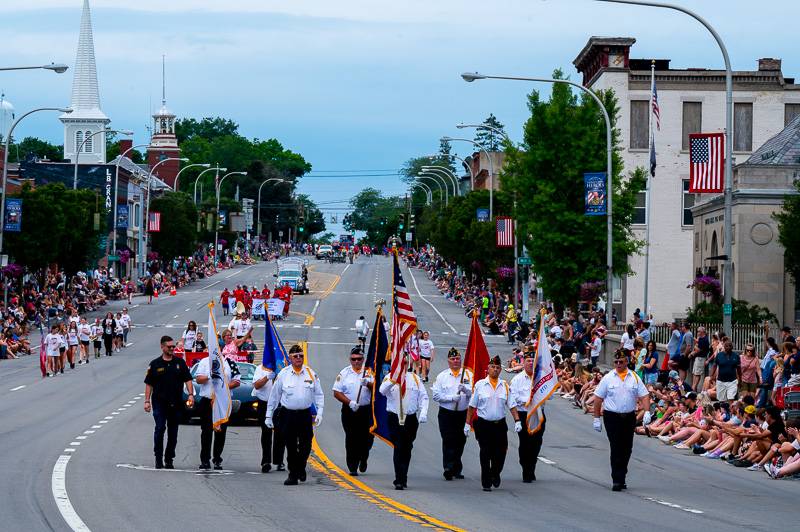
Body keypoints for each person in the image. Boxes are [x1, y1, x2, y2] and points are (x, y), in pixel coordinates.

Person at [592, 350, 651, 491]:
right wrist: (596, 418)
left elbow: (644, 395)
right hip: (612, 417)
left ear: (627, 362)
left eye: (621, 362)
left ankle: (622, 475)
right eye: (616, 362)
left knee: (627, 448)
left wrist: (647, 411)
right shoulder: (608, 378)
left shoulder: (634, 377)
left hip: (629, 417)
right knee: (616, 446)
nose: (618, 364)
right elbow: (598, 398)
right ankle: (617, 480)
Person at [266, 344, 324, 486]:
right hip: (288, 415)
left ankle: (301, 466)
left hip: (304, 414)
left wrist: (320, 412)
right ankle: (293, 474)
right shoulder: (283, 374)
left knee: (306, 444)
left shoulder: (311, 373)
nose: (299, 358)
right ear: (290, 358)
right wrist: (268, 415)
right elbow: (274, 396)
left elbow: (319, 394)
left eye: (301, 356)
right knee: (290, 445)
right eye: (296, 356)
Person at [467, 355, 519, 491]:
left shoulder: (505, 386)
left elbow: (512, 405)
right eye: (492, 367)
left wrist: (517, 420)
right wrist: (467, 423)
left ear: (500, 370)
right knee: (485, 452)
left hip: (500, 425)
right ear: (487, 369)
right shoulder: (480, 385)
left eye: (497, 368)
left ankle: (495, 472)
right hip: (484, 425)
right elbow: (472, 406)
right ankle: (486, 481)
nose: (495, 370)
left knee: (500, 452)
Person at [143, 336, 194, 469]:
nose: (172, 349)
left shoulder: (180, 362)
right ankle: (158, 457)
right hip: (159, 402)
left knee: (173, 432)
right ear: (162, 347)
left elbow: (188, 379)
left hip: (176, 403)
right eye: (169, 347)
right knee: (160, 428)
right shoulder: (155, 364)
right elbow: (149, 384)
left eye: (173, 346)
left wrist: (190, 395)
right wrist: (147, 401)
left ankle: (169, 458)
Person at [379, 363, 429, 490]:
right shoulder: (390, 377)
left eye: (405, 363)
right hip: (395, 418)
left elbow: (424, 397)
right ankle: (399, 479)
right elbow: (382, 391)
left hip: (410, 419)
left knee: (407, 448)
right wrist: (393, 381)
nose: (403, 365)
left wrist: (423, 412)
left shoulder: (415, 378)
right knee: (399, 446)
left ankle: (403, 475)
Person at [195, 349, 242, 470]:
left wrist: (224, 388)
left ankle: (217, 459)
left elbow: (237, 381)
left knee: (221, 431)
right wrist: (209, 376)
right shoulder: (205, 362)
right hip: (208, 400)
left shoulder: (229, 363)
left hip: (223, 401)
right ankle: (205, 460)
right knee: (206, 431)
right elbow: (198, 379)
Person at [431, 347, 473, 480]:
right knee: (448, 440)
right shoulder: (442, 376)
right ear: (448, 361)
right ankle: (448, 467)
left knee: (460, 441)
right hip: (447, 414)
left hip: (463, 413)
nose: (455, 361)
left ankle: (456, 467)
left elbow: (476, 394)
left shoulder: (468, 375)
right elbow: (436, 396)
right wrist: (451, 398)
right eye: (452, 359)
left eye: (457, 359)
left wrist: (466, 391)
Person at [332, 346, 375, 475]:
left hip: (366, 410)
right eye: (353, 359)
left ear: (363, 359)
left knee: (367, 438)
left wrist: (368, 383)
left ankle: (363, 457)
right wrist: (349, 402)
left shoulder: (369, 372)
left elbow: (379, 390)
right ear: (350, 359)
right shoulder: (344, 373)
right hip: (349, 411)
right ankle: (352, 466)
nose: (356, 362)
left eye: (359, 359)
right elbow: (336, 392)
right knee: (351, 438)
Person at [510, 350, 545, 483]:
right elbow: (513, 398)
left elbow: (550, 395)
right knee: (525, 443)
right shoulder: (517, 379)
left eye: (533, 361)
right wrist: (528, 400)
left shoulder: (541, 379)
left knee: (536, 443)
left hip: (538, 414)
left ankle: (531, 466)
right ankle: (526, 468)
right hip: (524, 414)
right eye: (528, 361)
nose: (531, 363)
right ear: (523, 362)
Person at [252, 358, 282, 473]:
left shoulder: (282, 369)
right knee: (266, 432)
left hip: (279, 405)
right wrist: (267, 377)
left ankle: (279, 461)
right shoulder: (260, 369)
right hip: (264, 404)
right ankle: (266, 461)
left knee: (280, 433)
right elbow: (256, 385)